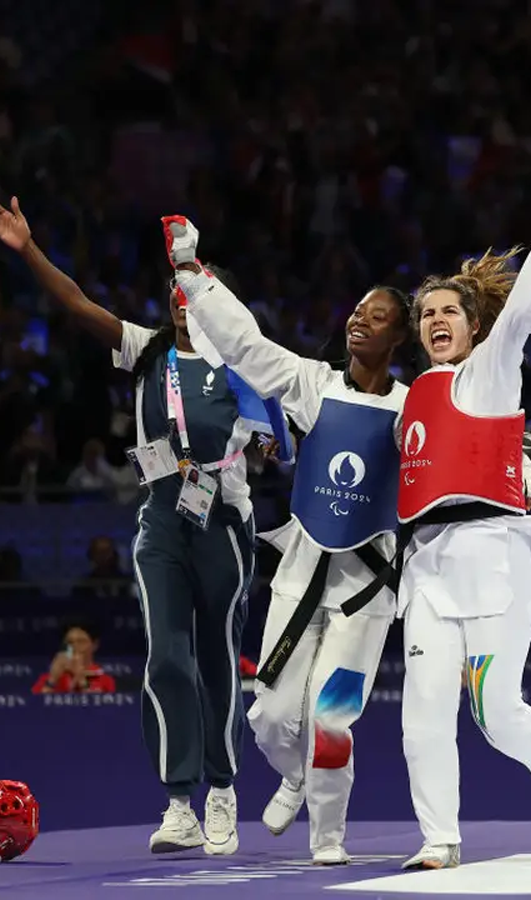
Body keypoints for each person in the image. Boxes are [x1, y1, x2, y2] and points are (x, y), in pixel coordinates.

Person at [0, 199, 264, 856]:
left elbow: (269, 437)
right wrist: (28, 250)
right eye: (177, 290)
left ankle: (224, 790)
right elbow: (78, 305)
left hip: (223, 523)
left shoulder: (242, 364)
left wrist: (261, 447)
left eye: (198, 292)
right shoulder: (146, 352)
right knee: (167, 657)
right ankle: (180, 804)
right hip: (160, 525)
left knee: (215, 660)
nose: (184, 300)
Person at [165, 217, 406, 865]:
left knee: (331, 720)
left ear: (399, 335)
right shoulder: (312, 385)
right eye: (358, 309)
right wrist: (192, 273)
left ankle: (328, 835)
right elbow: (244, 345)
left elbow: (461, 441)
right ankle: (293, 776)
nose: (360, 319)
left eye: (377, 315)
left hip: (366, 593)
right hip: (299, 577)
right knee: (269, 718)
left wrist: (514, 461)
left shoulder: (416, 408)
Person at [396, 189, 531, 870]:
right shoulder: (409, 402)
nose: (436, 320)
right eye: (425, 314)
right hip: (427, 566)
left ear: (473, 324)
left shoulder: (491, 368)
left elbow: (526, 308)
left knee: (494, 713)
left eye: (449, 310)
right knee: (421, 709)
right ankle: (439, 839)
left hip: (494, 557)